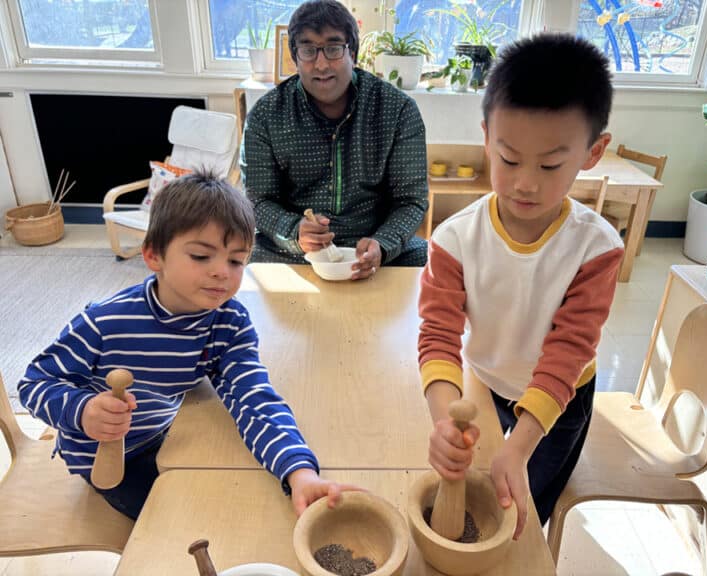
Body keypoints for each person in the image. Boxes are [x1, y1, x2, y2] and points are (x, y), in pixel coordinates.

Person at [17, 172, 357, 520]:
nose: (221, 272)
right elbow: (34, 383)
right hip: (108, 455)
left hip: (168, 429)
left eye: (236, 261)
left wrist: (299, 472)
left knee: (248, 498)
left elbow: (254, 398)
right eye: (200, 256)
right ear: (154, 256)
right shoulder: (104, 322)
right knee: (182, 521)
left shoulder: (228, 323)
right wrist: (83, 410)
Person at [418, 34, 625, 539]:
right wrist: (445, 422)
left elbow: (567, 352)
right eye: (508, 159)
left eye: (550, 165)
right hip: (488, 383)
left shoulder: (596, 249)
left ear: (593, 152)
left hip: (560, 399)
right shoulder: (454, 239)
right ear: (487, 137)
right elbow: (438, 336)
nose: (525, 183)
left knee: (522, 509)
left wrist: (520, 444)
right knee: (472, 483)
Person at [241, 0, 429, 278]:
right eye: (308, 50)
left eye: (333, 48)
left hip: (374, 246)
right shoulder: (266, 115)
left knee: (429, 259)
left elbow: (411, 200)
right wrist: (294, 231)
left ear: (352, 52)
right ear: (295, 57)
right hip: (293, 250)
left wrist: (383, 243)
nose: (321, 64)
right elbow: (257, 200)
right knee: (246, 260)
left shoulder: (397, 109)